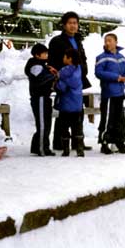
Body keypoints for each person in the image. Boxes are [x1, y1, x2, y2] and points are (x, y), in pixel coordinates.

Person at [48, 11, 91, 151]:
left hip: (77, 81)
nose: (73, 26)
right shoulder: (57, 41)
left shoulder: (78, 40)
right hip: (64, 81)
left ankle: (78, 142)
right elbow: (53, 61)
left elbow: (82, 59)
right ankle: (59, 142)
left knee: (79, 111)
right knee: (64, 112)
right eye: (70, 23)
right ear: (64, 25)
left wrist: (83, 71)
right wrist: (60, 77)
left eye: (75, 23)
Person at [95, 33, 125, 155]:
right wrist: (116, 78)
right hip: (109, 93)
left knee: (120, 119)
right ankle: (104, 142)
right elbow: (99, 73)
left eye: (110, 40)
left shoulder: (122, 57)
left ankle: (119, 142)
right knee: (107, 119)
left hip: (120, 92)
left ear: (116, 42)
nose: (107, 43)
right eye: (106, 41)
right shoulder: (101, 57)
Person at [25, 43, 58, 156]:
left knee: (46, 123)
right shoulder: (36, 66)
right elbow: (39, 80)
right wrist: (53, 76)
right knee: (43, 124)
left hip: (44, 97)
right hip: (40, 98)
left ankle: (38, 146)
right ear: (37, 55)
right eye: (44, 53)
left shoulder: (42, 65)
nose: (47, 55)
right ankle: (42, 148)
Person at [55, 49, 85, 157]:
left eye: (65, 56)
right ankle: (80, 149)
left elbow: (61, 88)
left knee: (64, 128)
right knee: (77, 128)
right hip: (77, 105)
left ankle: (66, 150)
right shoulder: (78, 70)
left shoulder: (63, 73)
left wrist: (56, 81)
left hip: (66, 106)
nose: (63, 58)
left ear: (69, 59)